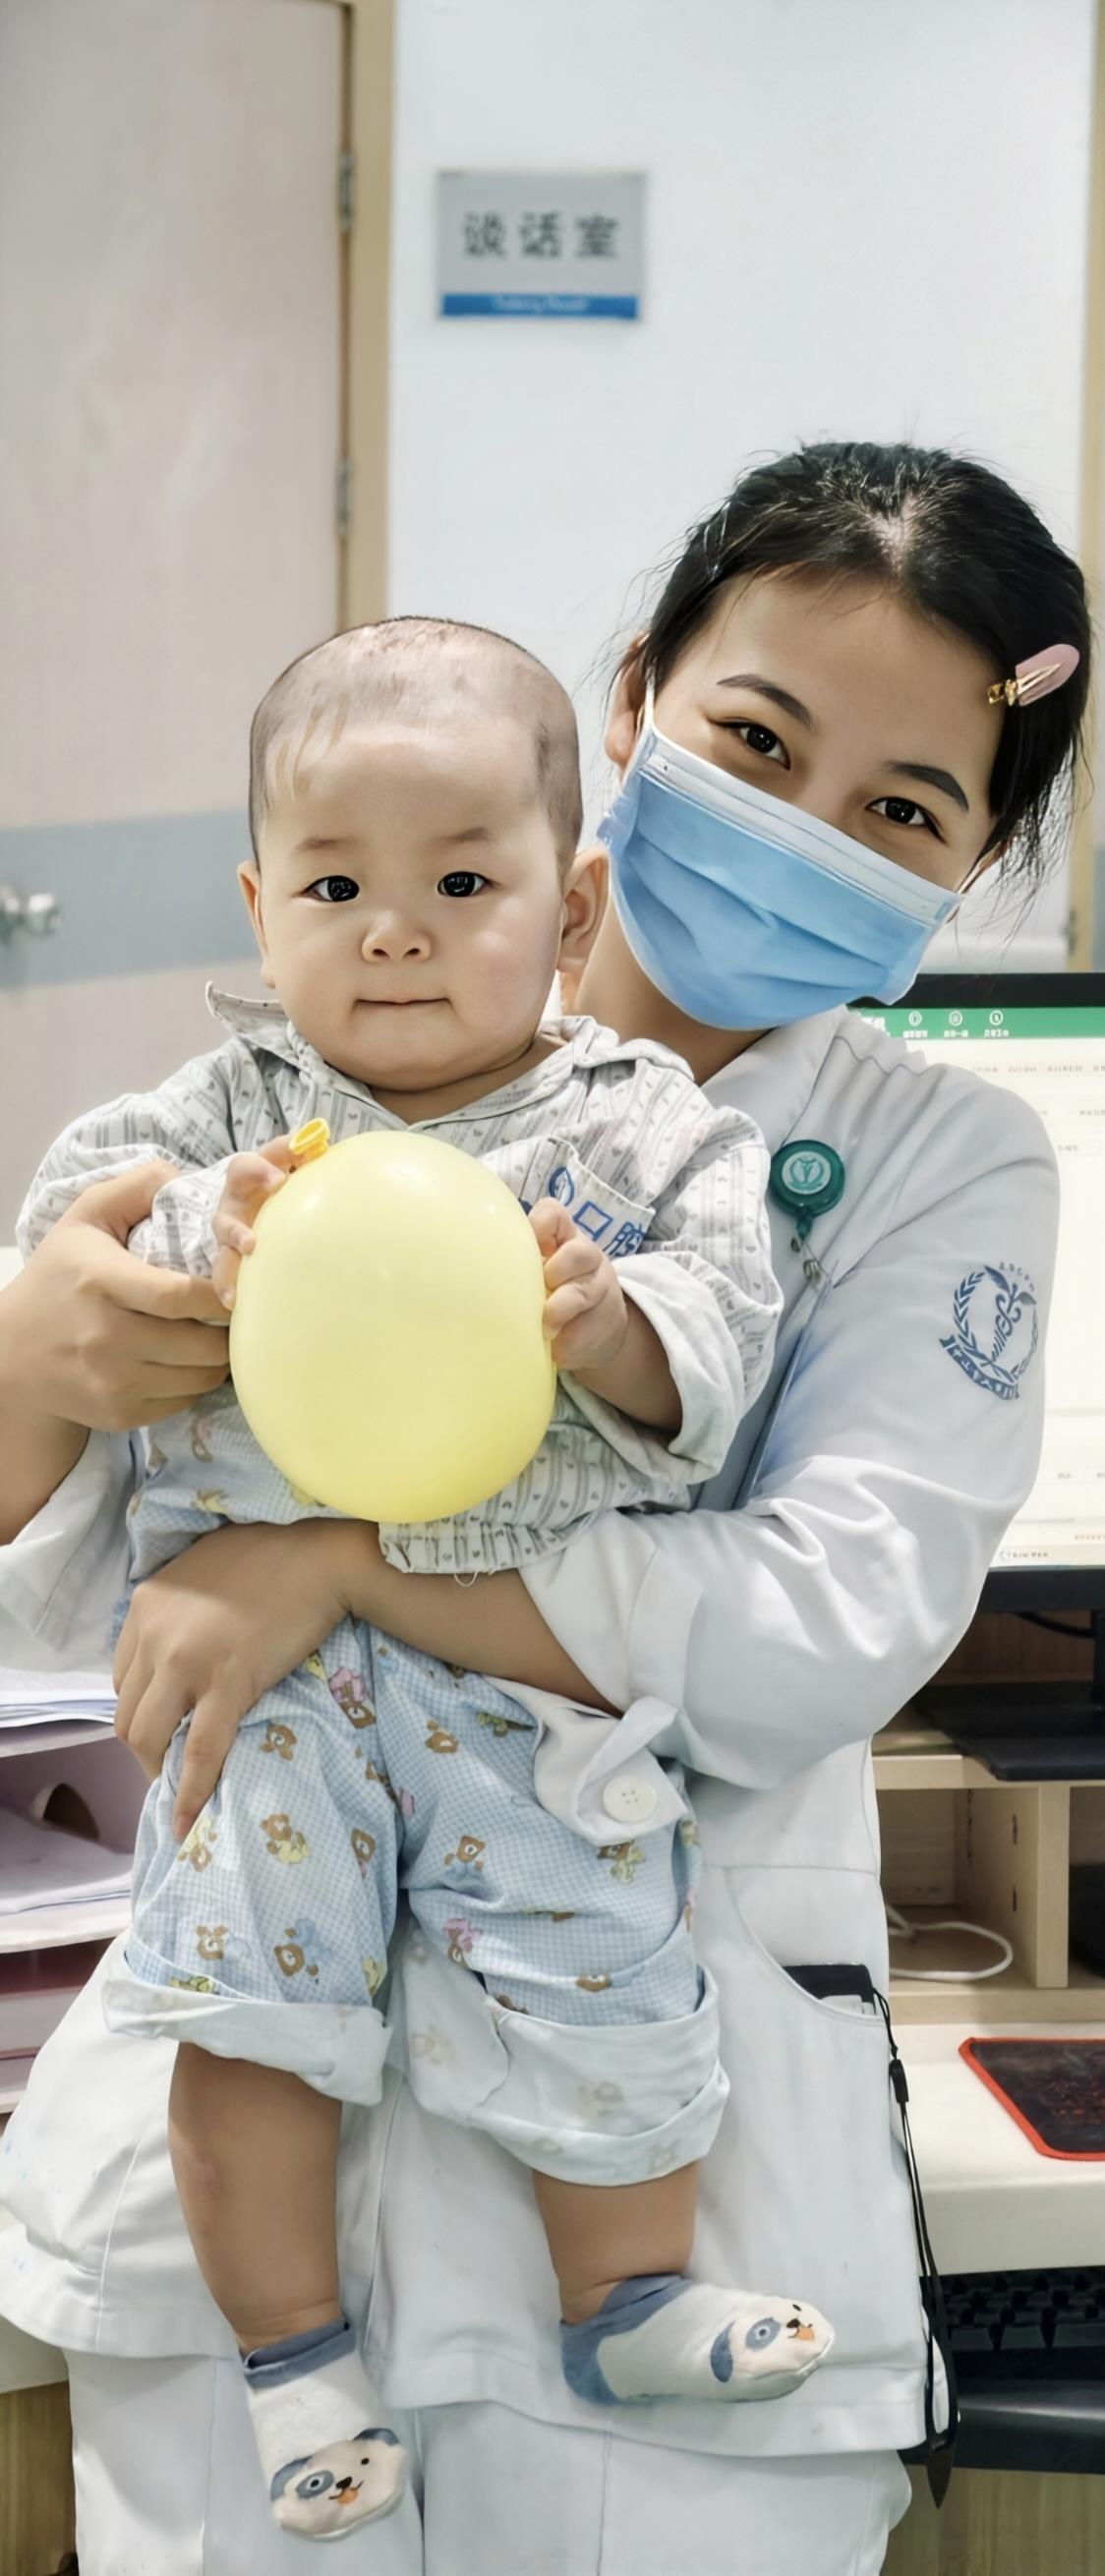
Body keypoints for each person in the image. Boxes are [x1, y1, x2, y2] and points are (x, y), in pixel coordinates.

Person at [0, 441, 1088, 2576]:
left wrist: (329, 1566)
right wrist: (31, 1363)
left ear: (969, 862)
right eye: (755, 741)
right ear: (637, 702)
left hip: (687, 2188)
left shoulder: (937, 1162)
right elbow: (67, 1609)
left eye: (901, 809)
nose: (804, 828)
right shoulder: (257, 1100)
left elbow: (811, 1629)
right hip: (235, 2195)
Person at [17, 614, 832, 2545]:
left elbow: (722, 1352)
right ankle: (293, 2366)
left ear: (571, 910)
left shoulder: (646, 1135)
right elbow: (80, 1277)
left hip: (516, 1686)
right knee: (247, 2010)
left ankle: (629, 2300)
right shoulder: (200, 1128)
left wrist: (610, 1323)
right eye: (335, 888)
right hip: (263, 1709)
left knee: (608, 1973)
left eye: (461, 885)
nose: (393, 933)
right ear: (259, 905)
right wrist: (162, 1262)